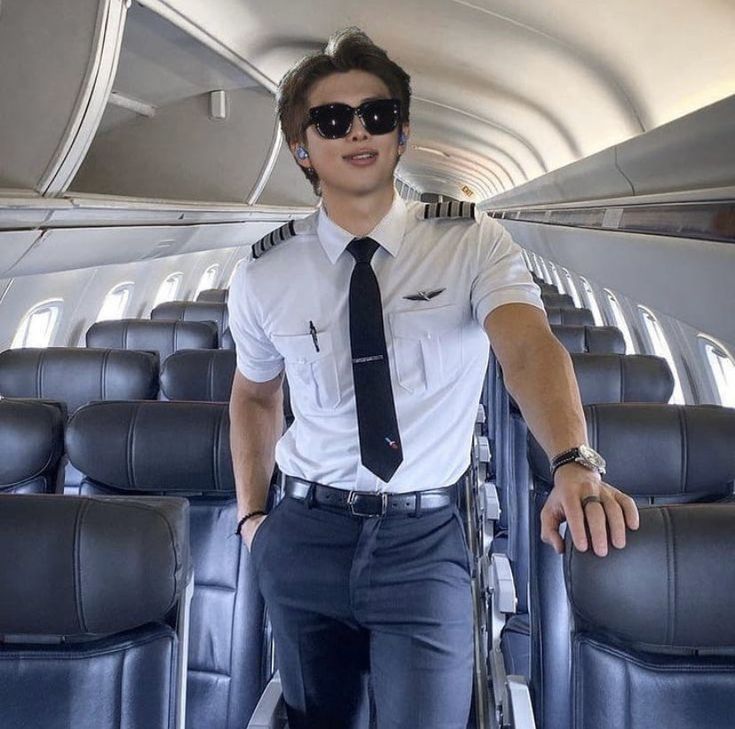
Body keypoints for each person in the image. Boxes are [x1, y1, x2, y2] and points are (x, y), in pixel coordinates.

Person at [228, 27, 639, 729]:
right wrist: (251, 519)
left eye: (377, 114)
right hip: (302, 534)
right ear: (302, 148)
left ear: (402, 133)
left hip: (421, 543)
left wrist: (571, 459)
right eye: (332, 119)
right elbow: (255, 394)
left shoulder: (469, 242)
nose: (357, 130)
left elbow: (527, 348)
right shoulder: (263, 272)